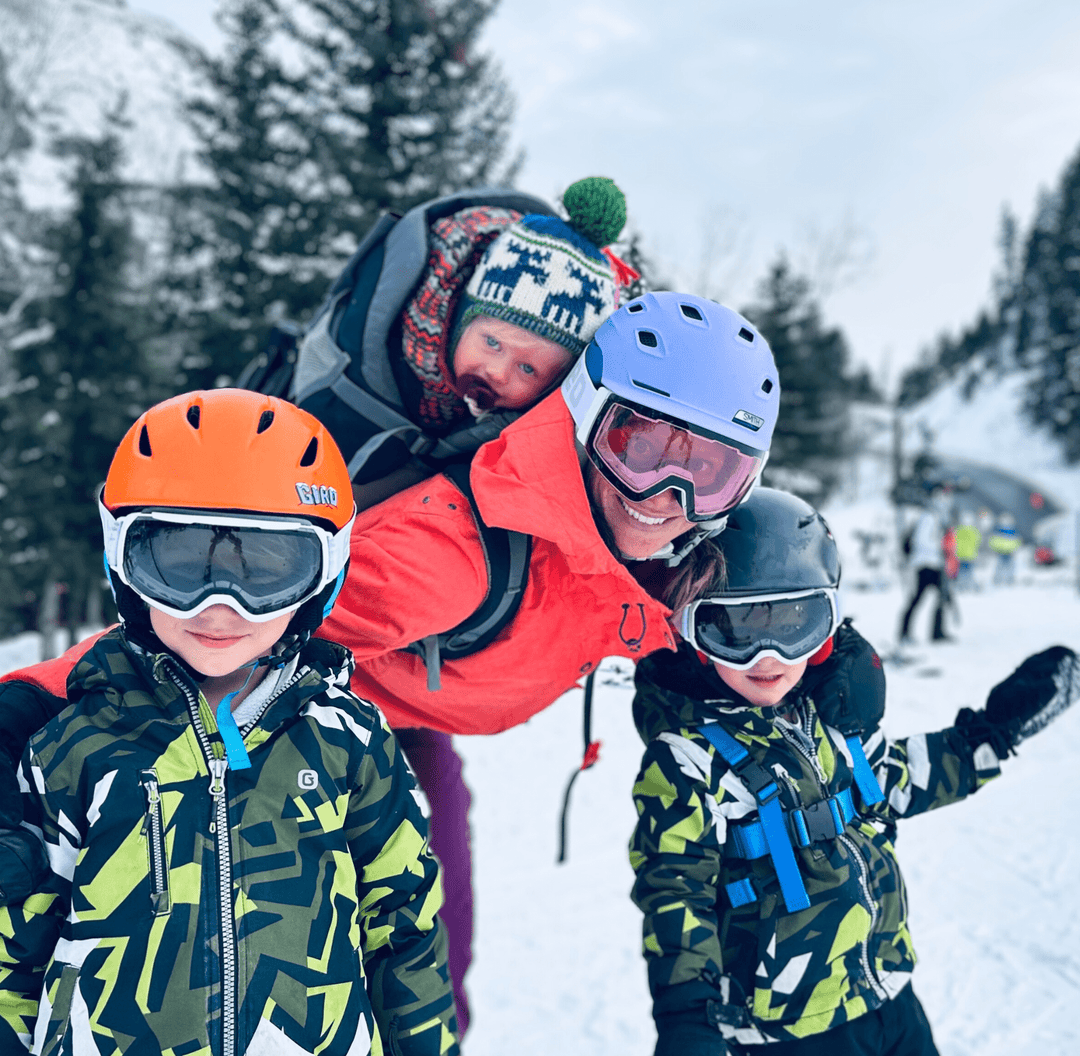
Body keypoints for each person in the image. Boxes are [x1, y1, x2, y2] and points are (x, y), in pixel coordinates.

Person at [0, 291, 782, 1033]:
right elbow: (220, 621)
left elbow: (695, 619)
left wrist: (825, 671)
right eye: (638, 445)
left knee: (433, 973)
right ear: (584, 416)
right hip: (311, 731)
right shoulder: (451, 558)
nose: (665, 494)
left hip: (409, 726)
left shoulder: (656, 552)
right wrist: (36, 705)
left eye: (708, 472)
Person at [0, 391, 457, 1056]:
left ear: (323, 574)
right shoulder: (74, 744)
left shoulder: (351, 741)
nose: (220, 606)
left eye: (266, 568)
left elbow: (405, 931)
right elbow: (15, 944)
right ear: (125, 565)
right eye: (180, 562)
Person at [628, 488, 1079, 1055]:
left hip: (886, 995)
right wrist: (686, 1019)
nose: (768, 658)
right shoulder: (686, 761)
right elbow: (674, 890)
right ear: (690, 632)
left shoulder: (829, 725)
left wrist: (989, 735)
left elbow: (894, 781)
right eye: (736, 630)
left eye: (794, 623)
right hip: (783, 1031)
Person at [292, 176, 635, 510]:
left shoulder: (520, 431)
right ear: (458, 321)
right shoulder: (395, 346)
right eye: (491, 342)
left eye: (528, 368)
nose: (499, 372)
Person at [899, 484, 951, 643]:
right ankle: (905, 633)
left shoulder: (937, 517)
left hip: (934, 564)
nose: (945, 501)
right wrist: (940, 546)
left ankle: (937, 632)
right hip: (924, 565)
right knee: (917, 599)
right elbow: (921, 541)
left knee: (941, 598)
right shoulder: (928, 517)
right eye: (942, 497)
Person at [989, 512, 1020, 585]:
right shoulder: (998, 531)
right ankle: (998, 579)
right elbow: (993, 541)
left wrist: (1015, 550)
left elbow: (1016, 542)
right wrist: (995, 550)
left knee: (1010, 567)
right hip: (1001, 552)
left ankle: (1009, 579)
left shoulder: (1013, 531)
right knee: (1000, 567)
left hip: (1009, 552)